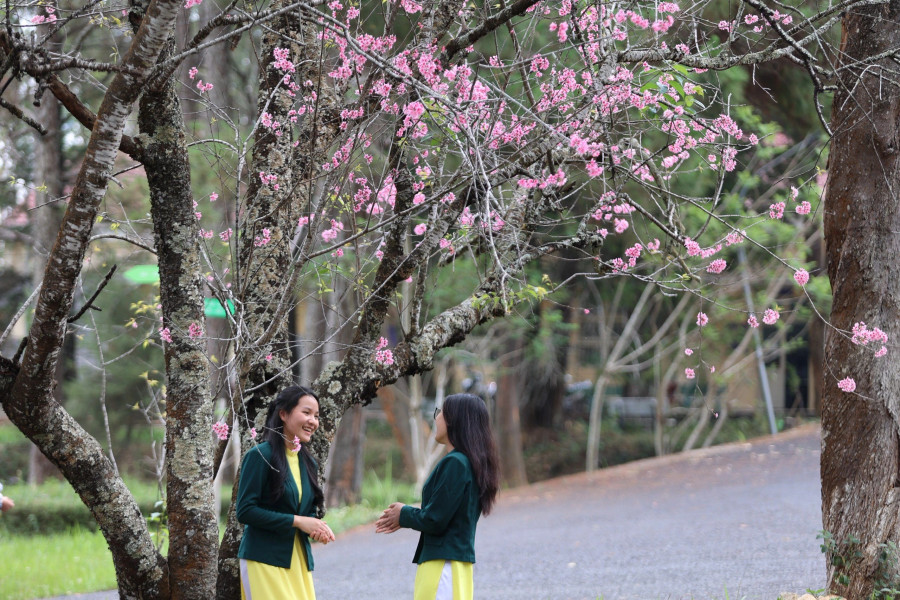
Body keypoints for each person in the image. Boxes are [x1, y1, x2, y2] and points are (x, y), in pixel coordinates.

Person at [375, 393, 500, 600]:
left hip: (443, 563)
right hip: (455, 565)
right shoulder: (469, 463)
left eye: (440, 412)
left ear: (454, 419)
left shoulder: (455, 463)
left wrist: (403, 514)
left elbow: (435, 518)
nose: (436, 418)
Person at [236, 385, 335, 600]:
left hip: (298, 561)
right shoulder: (260, 456)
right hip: (263, 560)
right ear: (283, 414)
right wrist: (298, 521)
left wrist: (315, 527)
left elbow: (304, 511)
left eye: (316, 416)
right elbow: (245, 511)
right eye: (306, 413)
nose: (313, 421)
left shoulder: (308, 462)